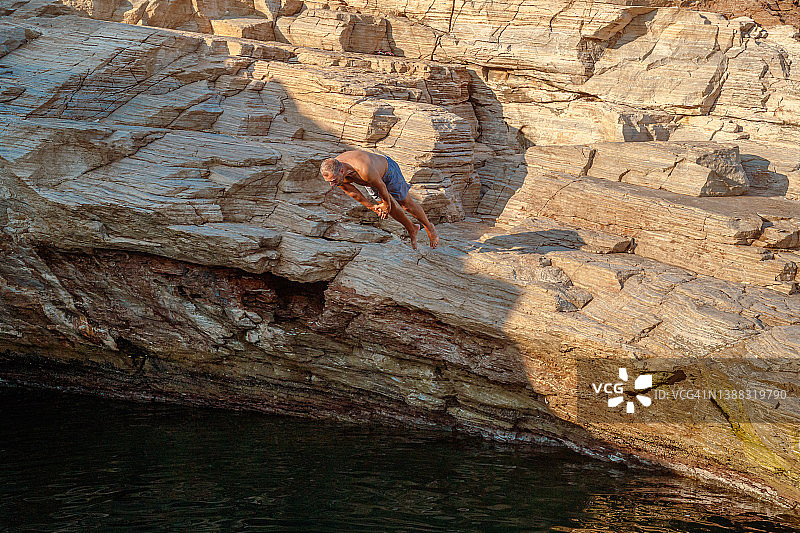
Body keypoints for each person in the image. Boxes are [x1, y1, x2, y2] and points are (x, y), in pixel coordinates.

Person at [320, 150, 439, 250]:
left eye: (333, 180)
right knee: (388, 209)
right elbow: (353, 193)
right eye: (329, 181)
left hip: (388, 171)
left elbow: (381, 186)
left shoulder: (363, 169)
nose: (332, 184)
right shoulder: (336, 175)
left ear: (341, 171)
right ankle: (412, 228)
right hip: (371, 182)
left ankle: (429, 227)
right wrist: (373, 208)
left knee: (406, 205)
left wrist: (386, 205)